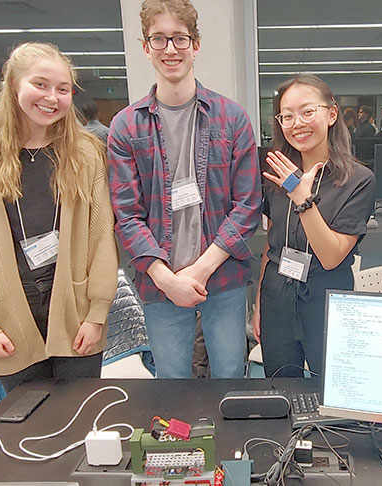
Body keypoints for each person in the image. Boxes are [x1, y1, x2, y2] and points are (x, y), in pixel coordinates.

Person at [0, 42, 118, 393]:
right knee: (26, 425)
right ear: (13, 85)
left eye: (63, 89)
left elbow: (101, 239)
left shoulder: (85, 153)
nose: (52, 97)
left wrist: (97, 314)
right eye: (41, 84)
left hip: (74, 310)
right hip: (6, 314)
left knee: (78, 414)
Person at [108, 0, 261, 379]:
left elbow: (248, 204)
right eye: (159, 39)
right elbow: (126, 215)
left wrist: (200, 270)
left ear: (195, 45)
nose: (170, 49)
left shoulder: (232, 117)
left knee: (228, 376)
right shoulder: (126, 127)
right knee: (172, 384)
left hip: (222, 277)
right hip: (160, 283)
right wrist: (167, 278)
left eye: (179, 38)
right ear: (146, 47)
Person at [253, 75, 375, 377]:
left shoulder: (358, 180)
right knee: (280, 388)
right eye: (287, 116)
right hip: (277, 296)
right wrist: (259, 304)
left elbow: (331, 256)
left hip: (326, 297)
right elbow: (272, 245)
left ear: (331, 114)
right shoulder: (275, 174)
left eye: (308, 112)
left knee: (331, 390)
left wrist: (302, 198)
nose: (298, 123)